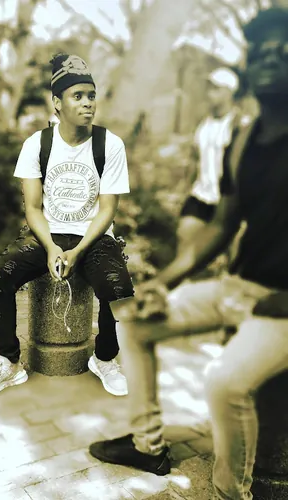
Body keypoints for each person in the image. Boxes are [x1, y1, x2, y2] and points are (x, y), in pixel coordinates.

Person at [87, 7, 288, 500]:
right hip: (239, 287)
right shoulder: (244, 139)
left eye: (283, 50)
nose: (270, 59)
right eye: (261, 51)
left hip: (282, 306)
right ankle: (148, 444)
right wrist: (165, 281)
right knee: (133, 321)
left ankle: (230, 493)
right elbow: (222, 224)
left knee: (224, 383)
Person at [0, 53, 134, 398]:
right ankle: (9, 363)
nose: (88, 103)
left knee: (117, 285)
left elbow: (107, 210)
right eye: (78, 96)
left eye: (91, 96)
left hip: (94, 235)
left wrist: (78, 251)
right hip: (48, 232)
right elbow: (32, 208)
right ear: (57, 103)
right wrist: (51, 247)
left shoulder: (110, 144)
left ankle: (104, 359)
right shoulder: (37, 144)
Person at [177, 67, 243, 252]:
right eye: (209, 88)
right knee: (184, 237)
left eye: (216, 88)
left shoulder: (238, 124)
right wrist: (186, 187)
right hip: (201, 196)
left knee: (232, 253)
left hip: (226, 201)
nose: (209, 93)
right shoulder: (203, 122)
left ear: (228, 92)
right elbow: (195, 159)